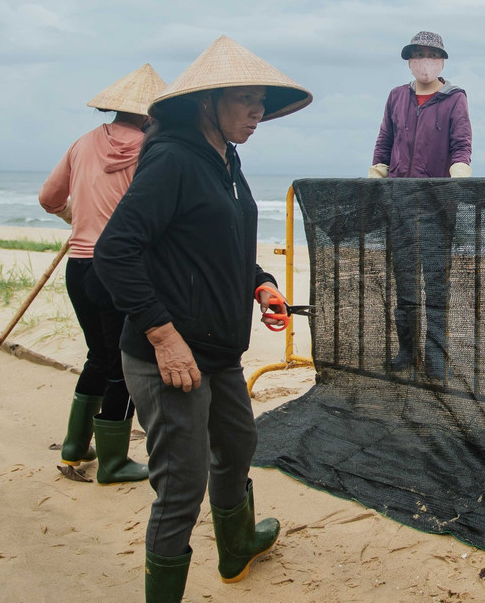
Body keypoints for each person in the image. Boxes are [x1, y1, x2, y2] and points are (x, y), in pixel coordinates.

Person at [94, 36, 312, 602]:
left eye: (262, 100)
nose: (257, 112)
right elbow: (115, 251)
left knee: (237, 447)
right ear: (206, 104)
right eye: (245, 99)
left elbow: (225, 243)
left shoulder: (226, 159)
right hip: (169, 360)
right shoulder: (171, 160)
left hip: (219, 353)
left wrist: (259, 281)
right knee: (181, 488)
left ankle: (236, 548)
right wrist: (163, 336)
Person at [39, 62, 166, 484]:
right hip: (121, 269)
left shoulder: (82, 144)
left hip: (80, 266)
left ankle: (75, 448)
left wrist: (79, 220)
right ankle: (113, 462)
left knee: (99, 355)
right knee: (124, 364)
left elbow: (48, 198)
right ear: (152, 112)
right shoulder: (152, 148)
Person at [369, 30, 472, 379]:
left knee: (436, 284)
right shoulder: (397, 97)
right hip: (399, 202)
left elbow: (461, 145)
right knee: (405, 283)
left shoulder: (454, 98)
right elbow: (384, 142)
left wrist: (458, 175)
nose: (424, 61)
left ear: (441, 60)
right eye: (417, 54)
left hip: (437, 205)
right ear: (409, 60)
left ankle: (436, 355)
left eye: (431, 54)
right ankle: (406, 350)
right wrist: (377, 174)